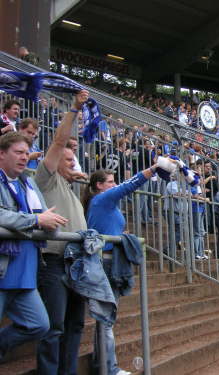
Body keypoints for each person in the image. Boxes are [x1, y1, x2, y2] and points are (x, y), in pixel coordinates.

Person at [82, 159, 167, 375]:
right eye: (110, 181)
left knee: (106, 317)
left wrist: (121, 236)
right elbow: (130, 185)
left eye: (114, 181)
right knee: (106, 318)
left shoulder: (105, 203)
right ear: (99, 185)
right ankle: (109, 369)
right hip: (105, 262)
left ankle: (102, 364)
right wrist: (154, 168)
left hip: (111, 261)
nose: (114, 184)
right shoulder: (101, 199)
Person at [34, 90, 90, 375]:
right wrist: (75, 109)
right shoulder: (44, 179)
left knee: (75, 324)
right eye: (68, 160)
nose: (73, 164)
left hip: (77, 264)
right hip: (54, 264)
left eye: (74, 160)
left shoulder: (70, 186)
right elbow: (58, 142)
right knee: (54, 327)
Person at [0, 132, 67, 361]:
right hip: (2, 269)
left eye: (26, 153)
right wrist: (35, 221)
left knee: (39, 325)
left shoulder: (28, 184)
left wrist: (50, 224)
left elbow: (45, 214)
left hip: (25, 273)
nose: (24, 157)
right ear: (1, 154)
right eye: (18, 152)